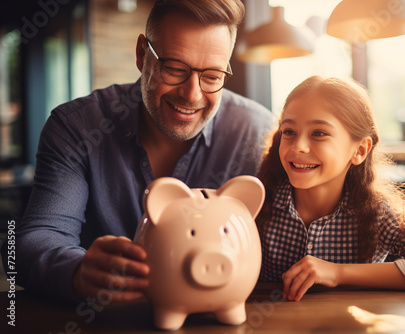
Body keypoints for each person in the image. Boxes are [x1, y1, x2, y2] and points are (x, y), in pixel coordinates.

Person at [2, 0, 273, 303]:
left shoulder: (258, 133)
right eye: (174, 68)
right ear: (142, 54)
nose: (192, 95)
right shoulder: (76, 128)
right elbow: (25, 245)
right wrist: (77, 270)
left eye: (212, 76)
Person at [257, 76, 405, 301]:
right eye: (289, 131)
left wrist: (337, 272)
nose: (298, 146)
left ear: (360, 150)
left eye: (319, 133)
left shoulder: (375, 212)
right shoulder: (260, 202)